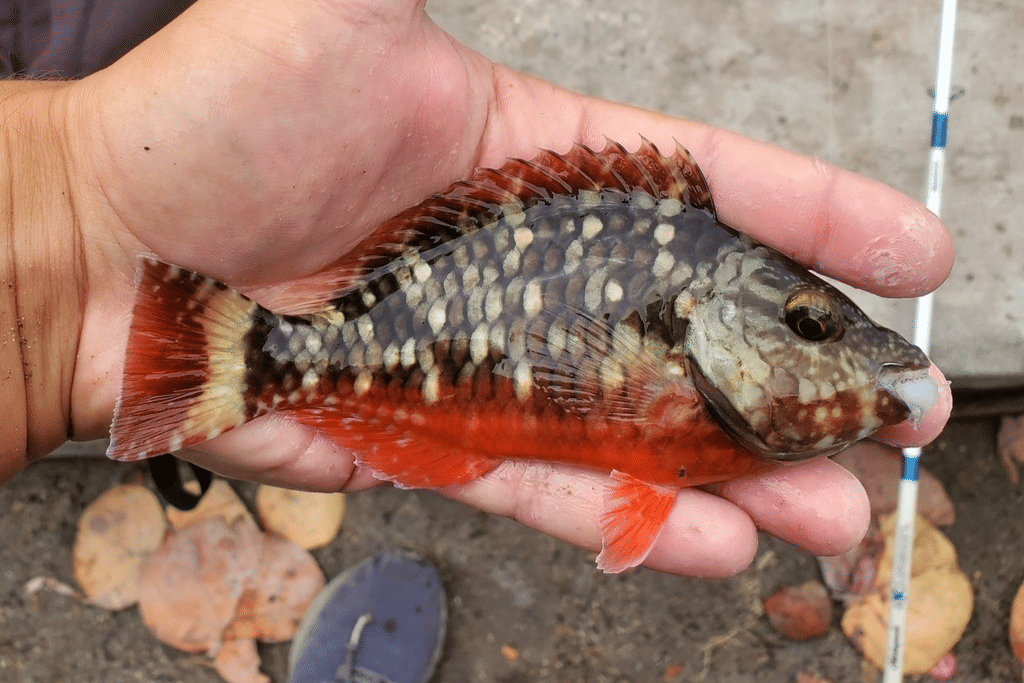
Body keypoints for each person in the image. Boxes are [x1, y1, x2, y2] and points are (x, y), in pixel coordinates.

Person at [0, 0, 953, 578]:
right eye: (812, 323)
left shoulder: (698, 384)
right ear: (705, 319)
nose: (837, 344)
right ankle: (238, 358)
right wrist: (77, 207)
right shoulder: (678, 384)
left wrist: (78, 215)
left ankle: (233, 357)